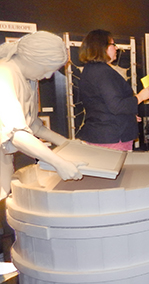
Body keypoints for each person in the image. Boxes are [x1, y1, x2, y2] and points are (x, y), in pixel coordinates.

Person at [0, 31, 84, 259]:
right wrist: (59, 163)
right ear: (33, 59)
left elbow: (33, 125)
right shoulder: (4, 76)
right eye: (48, 69)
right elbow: (17, 134)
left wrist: (66, 143)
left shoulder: (27, 78)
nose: (48, 76)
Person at [77, 29, 149, 151]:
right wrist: (140, 97)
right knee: (117, 169)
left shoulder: (89, 70)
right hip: (114, 137)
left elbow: (102, 105)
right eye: (113, 44)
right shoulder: (104, 72)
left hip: (100, 134)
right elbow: (117, 106)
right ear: (101, 47)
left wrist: (128, 117)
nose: (116, 48)